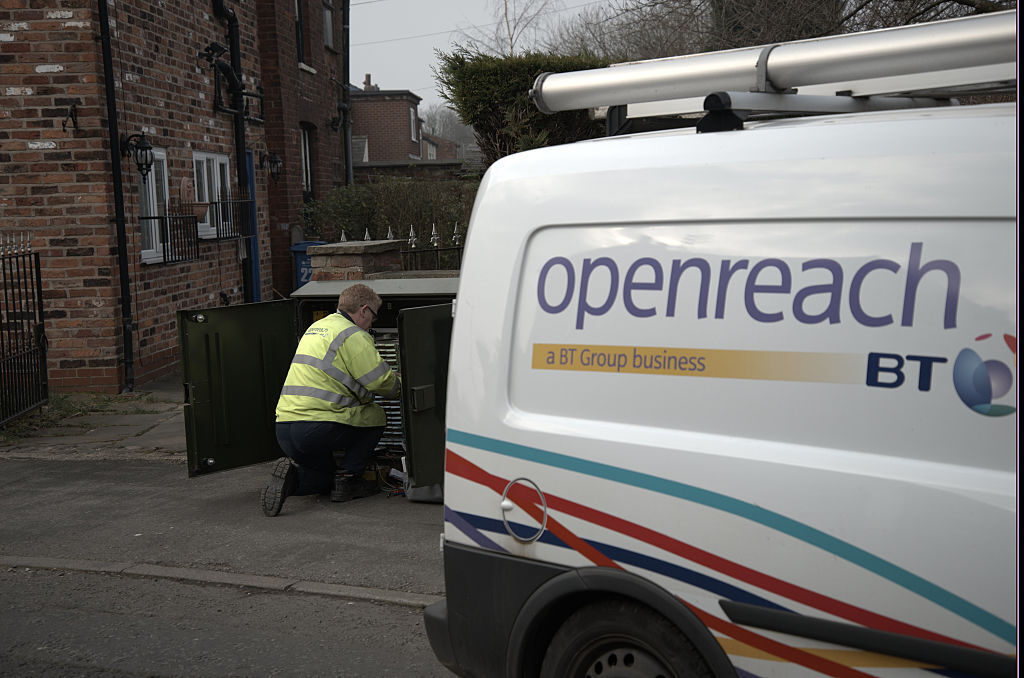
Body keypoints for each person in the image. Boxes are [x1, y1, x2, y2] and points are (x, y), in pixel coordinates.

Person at [261, 283, 401, 517]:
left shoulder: (317, 327)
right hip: (317, 427)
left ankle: (290, 482)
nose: (371, 325)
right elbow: (380, 382)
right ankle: (348, 480)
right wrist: (400, 385)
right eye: (373, 318)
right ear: (364, 310)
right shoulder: (353, 334)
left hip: (285, 429)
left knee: (323, 479)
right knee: (376, 416)